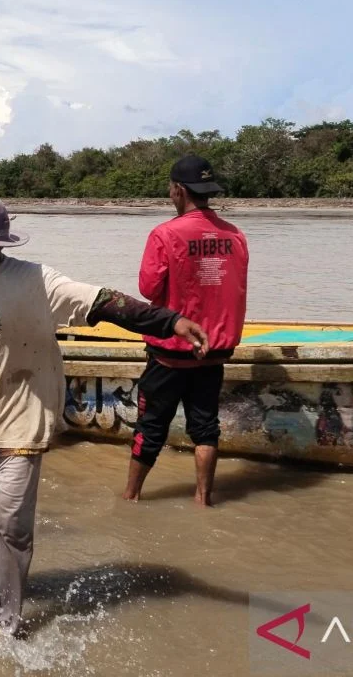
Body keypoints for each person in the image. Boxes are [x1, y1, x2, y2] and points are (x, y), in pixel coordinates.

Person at [0, 195, 208, 635]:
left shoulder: (36, 281)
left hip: (23, 425)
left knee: (12, 529)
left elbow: (103, 301)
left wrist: (168, 322)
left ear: (3, 243)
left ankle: (6, 622)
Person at [123, 154, 249, 507]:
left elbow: (148, 288)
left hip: (171, 353)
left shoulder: (165, 234)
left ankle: (130, 498)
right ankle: (203, 499)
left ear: (178, 190)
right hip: (213, 352)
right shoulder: (235, 235)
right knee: (206, 428)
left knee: (150, 428)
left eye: (171, 188)